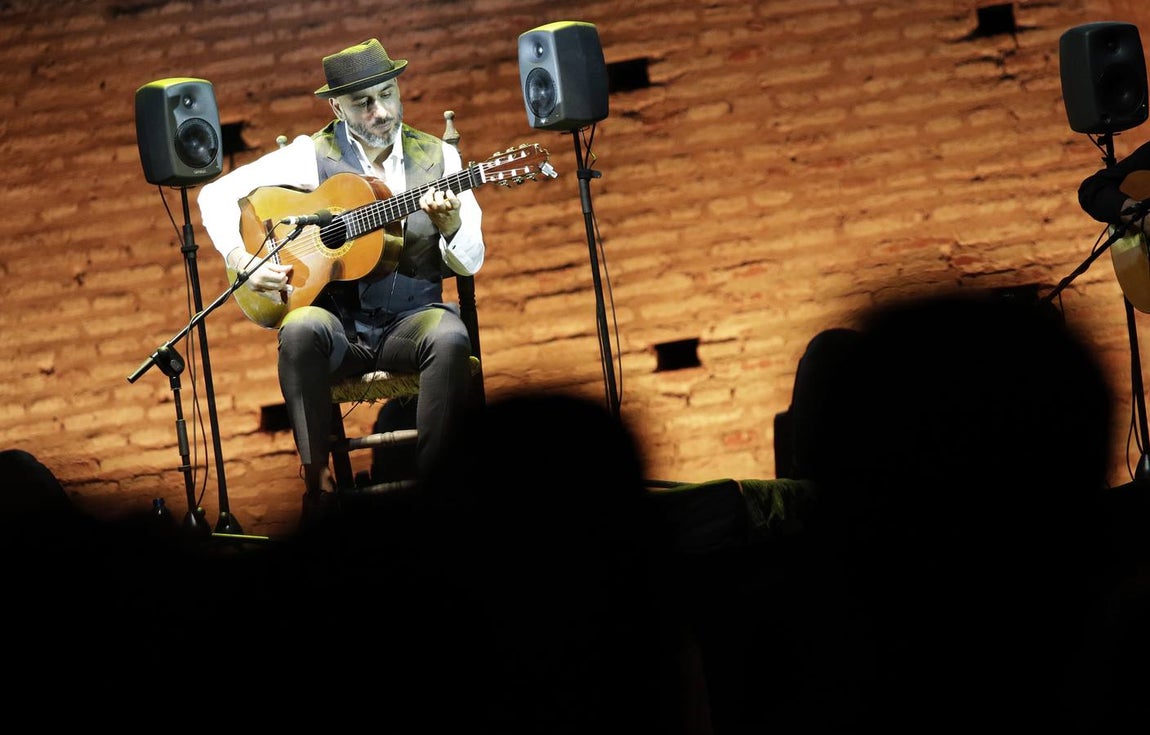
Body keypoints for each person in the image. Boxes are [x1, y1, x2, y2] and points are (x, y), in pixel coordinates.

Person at [197, 38, 484, 515]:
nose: (380, 111)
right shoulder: (312, 155)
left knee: (451, 337)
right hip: (338, 333)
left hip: (408, 324)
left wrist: (451, 227)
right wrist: (244, 262)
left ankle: (440, 492)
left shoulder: (439, 160)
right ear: (336, 106)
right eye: (362, 102)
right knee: (298, 327)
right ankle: (318, 486)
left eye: (387, 94)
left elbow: (471, 260)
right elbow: (214, 197)